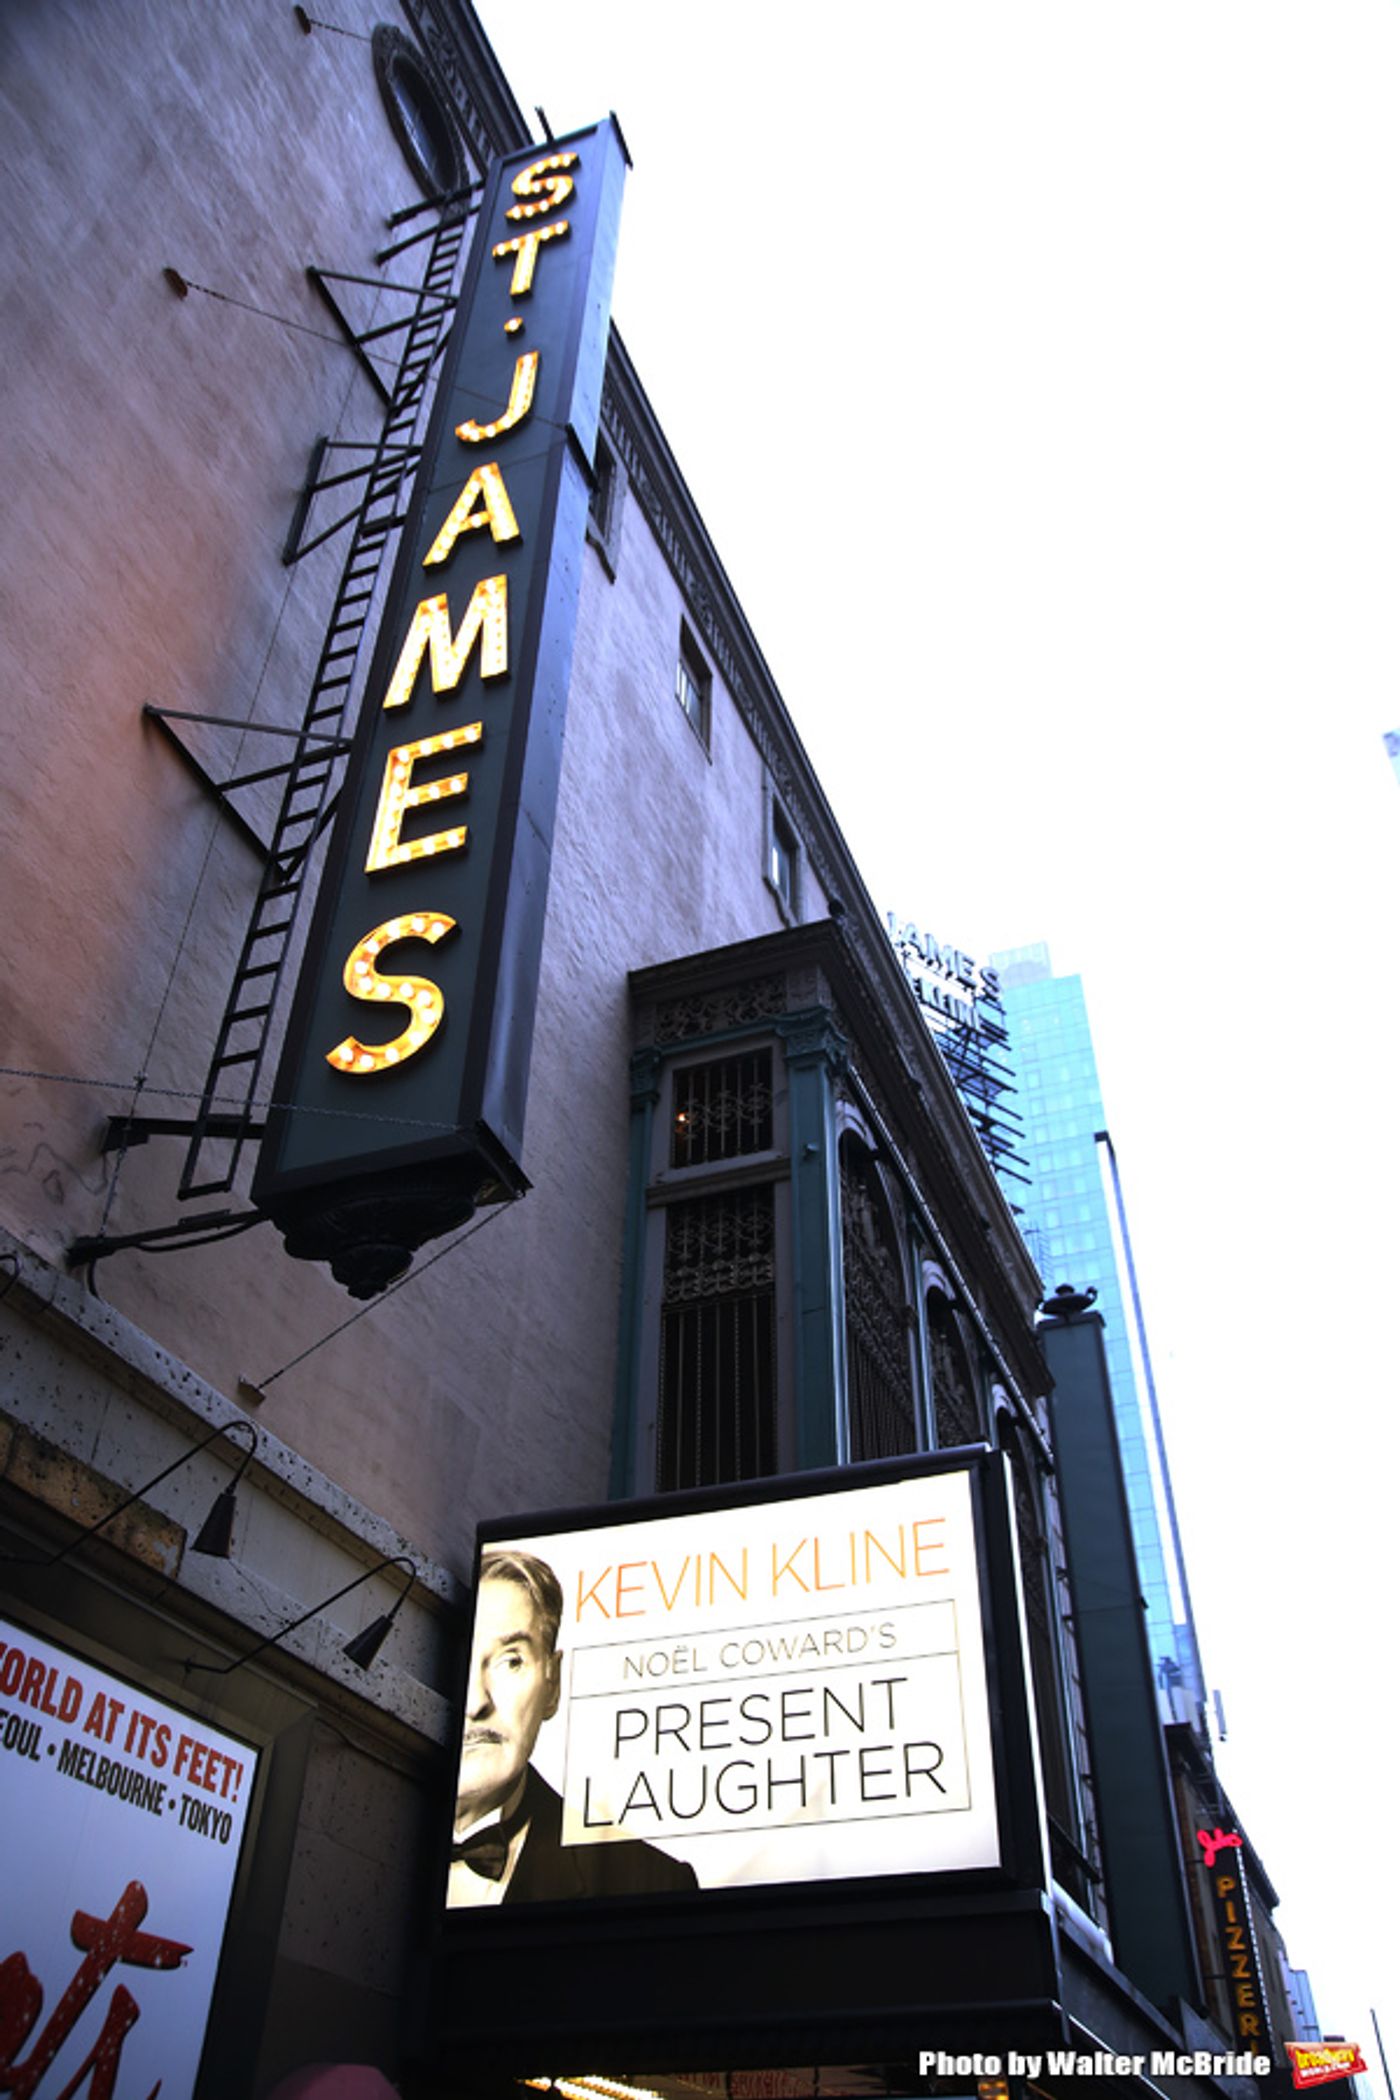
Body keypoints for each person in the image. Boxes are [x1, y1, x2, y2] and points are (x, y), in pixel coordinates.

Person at [447, 1547, 699, 1906]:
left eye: (511, 1661)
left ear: (553, 1684)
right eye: (464, 1662)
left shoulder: (650, 1882)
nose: (476, 1702)